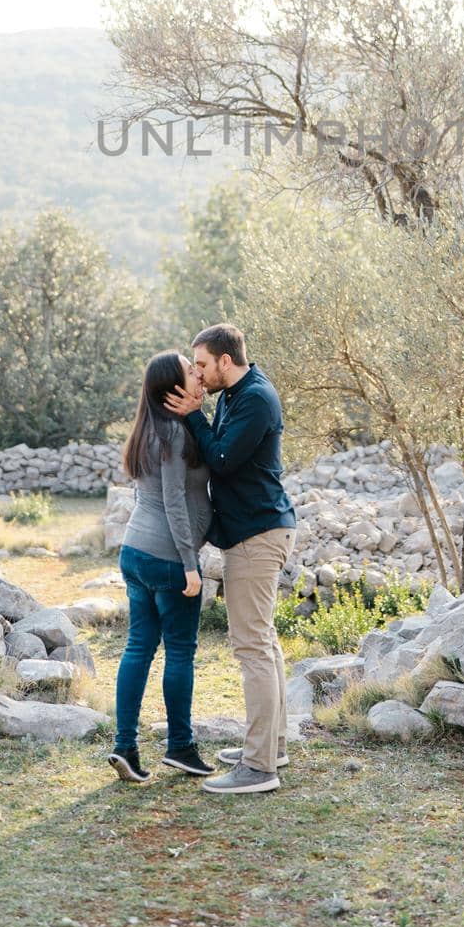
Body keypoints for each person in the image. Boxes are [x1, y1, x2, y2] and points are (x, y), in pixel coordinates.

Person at [165, 323, 297, 795]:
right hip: (254, 531)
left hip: (258, 535)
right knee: (265, 642)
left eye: (201, 364)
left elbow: (221, 458)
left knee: (251, 648)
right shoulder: (234, 397)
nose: (197, 374)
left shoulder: (256, 399)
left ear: (225, 360)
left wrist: (194, 416)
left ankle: (259, 768)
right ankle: (271, 745)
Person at [108, 350, 216, 784]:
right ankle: (181, 747)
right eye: (191, 371)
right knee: (180, 651)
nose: (197, 374)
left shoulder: (148, 428)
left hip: (134, 550)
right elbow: (173, 502)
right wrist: (191, 566)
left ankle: (125, 747)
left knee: (138, 648)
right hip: (168, 559)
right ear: (174, 387)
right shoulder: (172, 432)